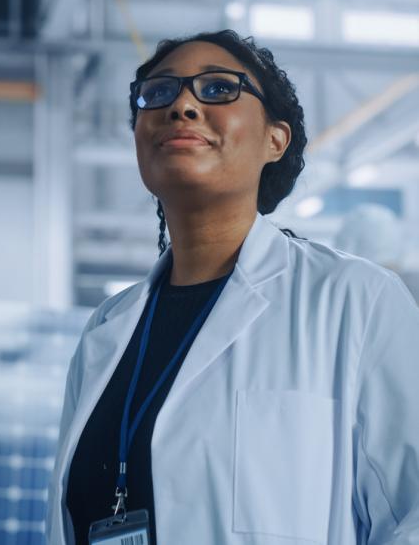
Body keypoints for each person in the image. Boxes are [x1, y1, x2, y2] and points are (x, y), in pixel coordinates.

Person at [46, 30, 419, 545]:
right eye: (157, 92)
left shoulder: (354, 300)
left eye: (218, 89)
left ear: (275, 139)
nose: (181, 105)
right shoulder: (105, 332)